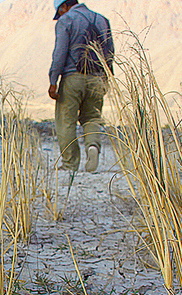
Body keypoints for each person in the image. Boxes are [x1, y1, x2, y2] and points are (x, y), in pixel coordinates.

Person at [48, 0, 114, 172]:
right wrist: (107, 78)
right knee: (92, 117)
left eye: (59, 12)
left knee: (66, 119)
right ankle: (93, 146)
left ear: (64, 7)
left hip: (73, 77)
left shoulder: (67, 20)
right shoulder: (102, 20)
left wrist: (53, 80)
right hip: (97, 77)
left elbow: (60, 52)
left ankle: (70, 164)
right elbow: (110, 52)